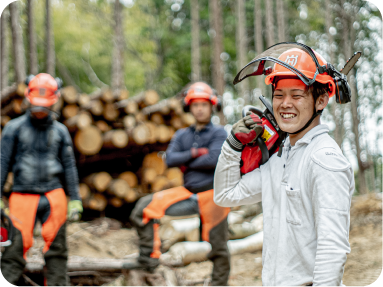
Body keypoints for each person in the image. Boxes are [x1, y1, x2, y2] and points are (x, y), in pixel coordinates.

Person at [214, 43, 355, 287]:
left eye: (297, 95)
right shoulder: (282, 159)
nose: (284, 103)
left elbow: (332, 248)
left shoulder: (324, 159)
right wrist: (232, 146)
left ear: (321, 101)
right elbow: (226, 195)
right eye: (279, 94)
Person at [128, 82, 230, 287]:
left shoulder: (219, 133)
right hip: (187, 191)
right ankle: (149, 261)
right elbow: (170, 159)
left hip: (213, 194)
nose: (199, 109)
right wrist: (195, 153)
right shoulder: (182, 134)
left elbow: (214, 159)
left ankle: (219, 284)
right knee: (142, 209)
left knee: (218, 247)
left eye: (204, 104)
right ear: (188, 107)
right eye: (195, 105)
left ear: (212, 106)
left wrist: (188, 161)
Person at [0, 73, 83, 286]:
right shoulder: (13, 128)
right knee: (14, 250)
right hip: (21, 195)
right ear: (28, 98)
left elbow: (69, 166)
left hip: (53, 195)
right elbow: (2, 163)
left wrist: (75, 198)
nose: (39, 110)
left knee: (57, 253)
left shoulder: (60, 131)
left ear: (54, 101)